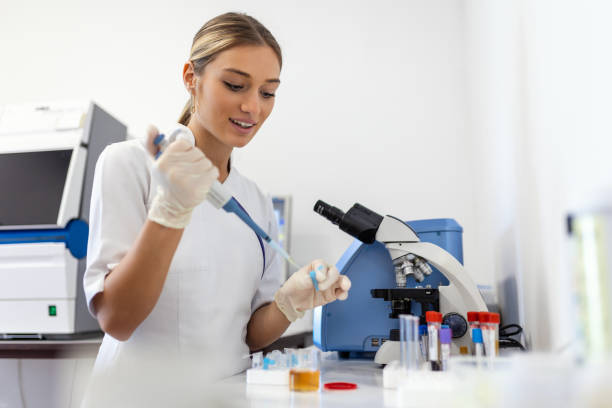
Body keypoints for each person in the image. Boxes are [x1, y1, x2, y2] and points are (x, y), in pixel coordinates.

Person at [82, 11, 351, 387]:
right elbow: (117, 320)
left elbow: (247, 334)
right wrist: (170, 212)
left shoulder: (255, 202)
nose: (253, 107)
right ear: (192, 78)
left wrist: (289, 304)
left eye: (267, 92)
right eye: (236, 85)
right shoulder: (130, 165)